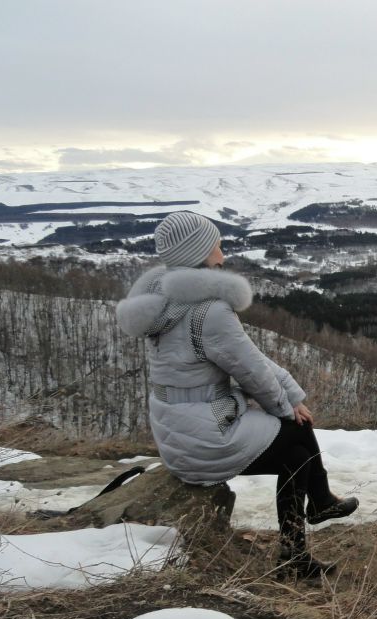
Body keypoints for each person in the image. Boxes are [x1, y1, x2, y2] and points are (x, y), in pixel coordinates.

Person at [116, 210, 357, 576]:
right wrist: (286, 406)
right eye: (217, 245)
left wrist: (290, 395)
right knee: (296, 431)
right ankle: (314, 516)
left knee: (295, 449)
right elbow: (250, 371)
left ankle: (299, 549)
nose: (223, 255)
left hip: (176, 429)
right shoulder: (208, 311)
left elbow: (250, 359)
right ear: (198, 251)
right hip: (202, 436)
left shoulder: (163, 303)